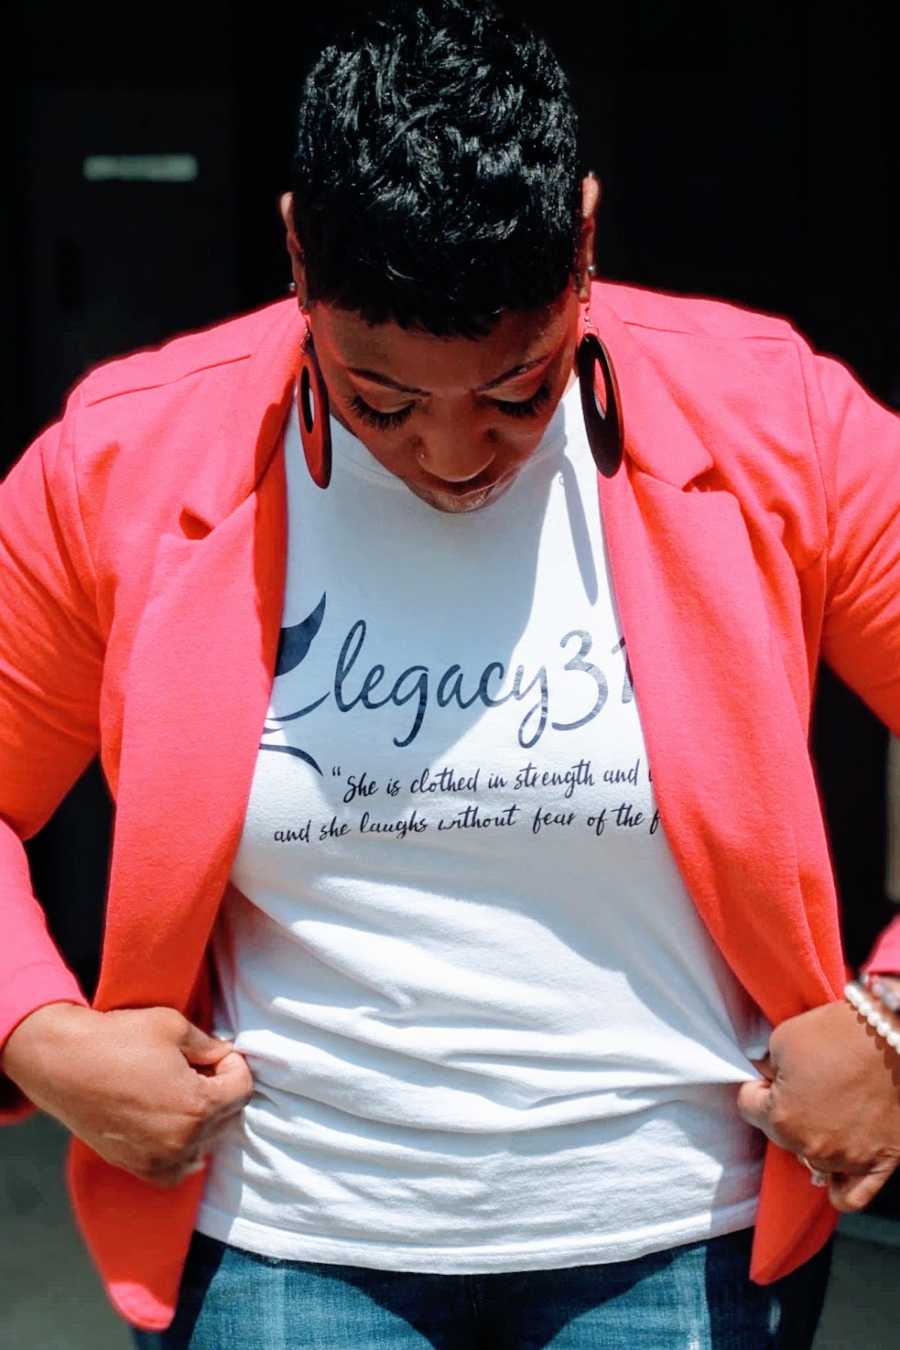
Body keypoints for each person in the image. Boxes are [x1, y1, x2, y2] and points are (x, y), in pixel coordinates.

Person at [2, 1, 900, 1345]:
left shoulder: (776, 422)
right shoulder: (126, 466)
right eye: (379, 400)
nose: (455, 451)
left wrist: (889, 1018)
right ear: (298, 252)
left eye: (519, 388)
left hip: (674, 1235)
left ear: (585, 242)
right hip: (283, 1243)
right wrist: (36, 1031)